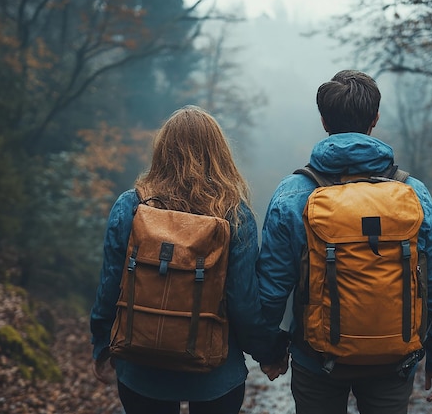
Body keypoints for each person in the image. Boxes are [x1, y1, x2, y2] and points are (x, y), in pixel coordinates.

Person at [257, 70, 432, 414]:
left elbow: (273, 288)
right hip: (394, 360)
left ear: (323, 120)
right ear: (374, 119)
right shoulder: (413, 193)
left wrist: (271, 352)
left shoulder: (293, 194)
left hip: (316, 359)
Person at [90, 105, 288, 414]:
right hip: (216, 373)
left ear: (162, 151)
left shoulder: (130, 206)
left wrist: (102, 344)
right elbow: (244, 304)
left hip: (142, 367)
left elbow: (110, 285)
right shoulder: (235, 216)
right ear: (219, 154)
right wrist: (268, 352)